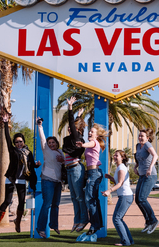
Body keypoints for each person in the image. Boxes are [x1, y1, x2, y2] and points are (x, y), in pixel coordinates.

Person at [0, 113, 41, 235]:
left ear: (24, 142)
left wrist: (36, 165)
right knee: (7, 200)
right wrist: (5, 123)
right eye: (17, 142)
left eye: (20, 141)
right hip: (11, 178)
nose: (19, 143)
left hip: (22, 179)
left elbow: (30, 164)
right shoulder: (12, 150)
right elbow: (7, 138)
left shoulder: (28, 153)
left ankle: (17, 221)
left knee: (21, 201)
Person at [63, 96, 90, 233]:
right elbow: (75, 125)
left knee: (79, 196)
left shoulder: (77, 137)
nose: (69, 128)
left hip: (76, 169)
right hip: (69, 169)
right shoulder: (73, 139)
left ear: (77, 128)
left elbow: (73, 125)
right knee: (74, 197)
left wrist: (70, 108)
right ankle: (77, 220)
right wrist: (79, 115)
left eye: (72, 126)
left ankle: (84, 219)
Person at [76, 123, 108, 235]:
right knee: (93, 199)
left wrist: (82, 145)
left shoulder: (94, 142)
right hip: (91, 173)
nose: (90, 133)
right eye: (89, 131)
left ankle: (94, 225)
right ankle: (97, 224)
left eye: (92, 132)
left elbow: (88, 144)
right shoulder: (92, 143)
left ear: (97, 135)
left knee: (89, 199)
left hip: (94, 173)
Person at [36, 117, 65, 238]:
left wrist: (62, 160)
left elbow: (65, 164)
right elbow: (42, 138)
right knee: (47, 204)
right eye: (49, 143)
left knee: (56, 205)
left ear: (56, 143)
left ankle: (54, 224)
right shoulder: (46, 150)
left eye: (53, 142)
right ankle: (41, 228)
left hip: (58, 182)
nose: (51, 144)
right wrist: (40, 126)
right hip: (47, 180)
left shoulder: (60, 152)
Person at [102, 150, 134, 246]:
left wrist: (109, 191)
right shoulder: (119, 168)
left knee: (116, 219)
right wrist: (111, 178)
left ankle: (126, 242)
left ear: (122, 157)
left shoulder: (121, 168)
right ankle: (129, 241)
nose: (115, 157)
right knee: (119, 219)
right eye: (114, 155)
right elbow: (119, 181)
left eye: (117, 155)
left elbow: (120, 183)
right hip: (124, 196)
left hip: (125, 196)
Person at [134, 128, 159, 234]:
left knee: (142, 198)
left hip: (150, 175)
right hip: (142, 175)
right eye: (139, 136)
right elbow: (138, 158)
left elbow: (155, 155)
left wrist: (150, 167)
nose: (140, 138)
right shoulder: (138, 146)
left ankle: (153, 221)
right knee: (137, 200)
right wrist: (136, 167)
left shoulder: (148, 144)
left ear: (147, 138)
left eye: (142, 136)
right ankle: (148, 222)